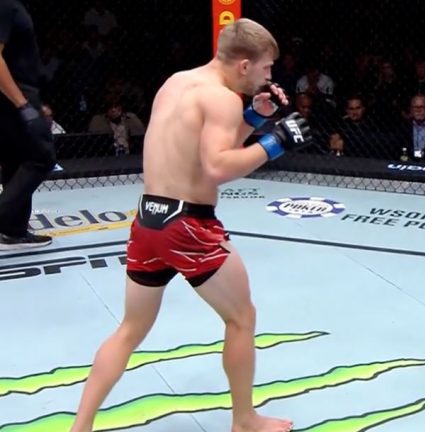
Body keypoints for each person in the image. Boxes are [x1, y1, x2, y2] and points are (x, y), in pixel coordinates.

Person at [69, 18, 313, 432]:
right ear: (243, 65)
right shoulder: (222, 98)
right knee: (242, 317)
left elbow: (202, 147)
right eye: (266, 68)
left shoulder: (177, 83)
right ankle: (244, 419)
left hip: (148, 219)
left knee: (130, 329)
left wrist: (255, 117)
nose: (269, 76)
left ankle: (80, 428)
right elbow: (216, 166)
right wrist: (275, 142)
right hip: (188, 225)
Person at [0, 0, 56, 249]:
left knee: (15, 158)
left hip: (14, 92)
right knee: (41, 157)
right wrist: (23, 104)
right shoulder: (5, 6)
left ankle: (13, 230)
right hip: (14, 93)